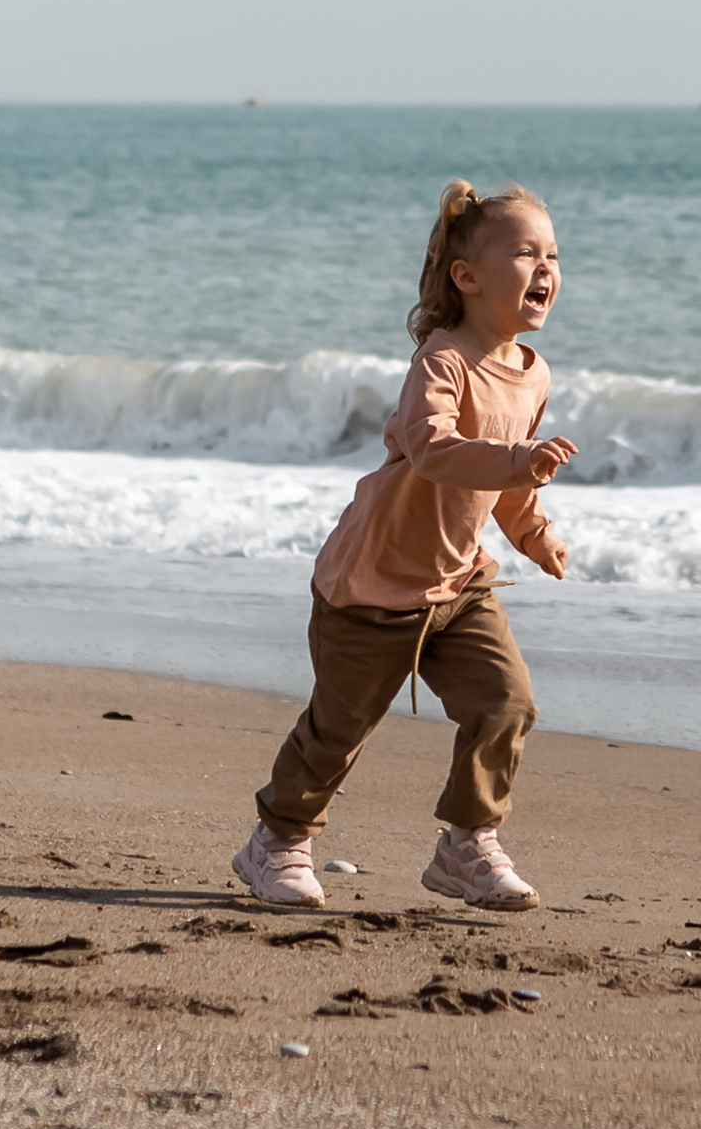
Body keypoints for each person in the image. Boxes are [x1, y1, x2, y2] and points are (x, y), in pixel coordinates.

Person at [233, 180, 575, 911]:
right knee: (339, 729)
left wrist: (534, 531)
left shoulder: (533, 373)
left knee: (507, 704)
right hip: (373, 584)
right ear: (468, 276)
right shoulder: (443, 360)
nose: (546, 268)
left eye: (553, 254)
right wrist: (518, 461)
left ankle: (467, 846)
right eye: (525, 253)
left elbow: (509, 486)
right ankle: (278, 843)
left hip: (457, 584)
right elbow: (434, 451)